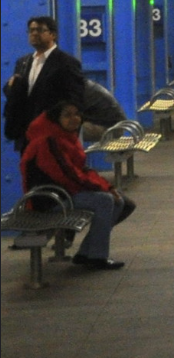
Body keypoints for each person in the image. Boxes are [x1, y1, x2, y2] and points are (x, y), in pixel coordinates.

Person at [20, 98, 127, 270]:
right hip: (48, 199)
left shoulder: (65, 137)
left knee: (117, 200)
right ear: (56, 119)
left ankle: (87, 254)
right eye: (67, 115)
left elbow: (81, 170)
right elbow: (67, 175)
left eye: (77, 114)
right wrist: (103, 190)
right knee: (105, 200)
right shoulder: (48, 141)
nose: (74, 119)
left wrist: (108, 187)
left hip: (64, 193)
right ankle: (96, 256)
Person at [6, 15, 86, 153]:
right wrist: (10, 87)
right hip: (26, 134)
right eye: (31, 30)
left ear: (52, 34)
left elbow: (76, 100)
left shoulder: (66, 63)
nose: (34, 33)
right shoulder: (23, 62)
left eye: (40, 30)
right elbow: (16, 94)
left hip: (52, 135)